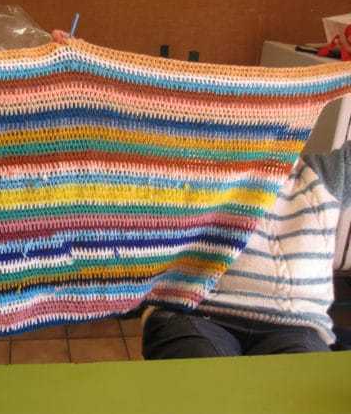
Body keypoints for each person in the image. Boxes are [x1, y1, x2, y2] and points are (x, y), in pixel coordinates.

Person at [142, 142, 351, 359]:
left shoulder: (323, 175)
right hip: (193, 312)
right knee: (199, 367)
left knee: (302, 375)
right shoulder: (184, 169)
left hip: (297, 326)